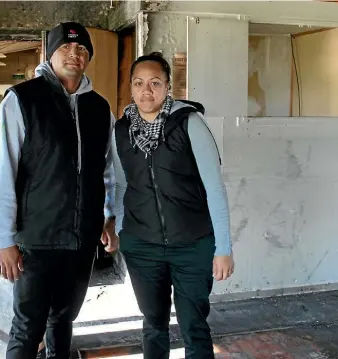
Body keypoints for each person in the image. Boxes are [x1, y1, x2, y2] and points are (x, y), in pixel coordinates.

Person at [0, 22, 119, 359]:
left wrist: (110, 217)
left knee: (64, 319)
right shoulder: (22, 100)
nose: (74, 54)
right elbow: (1, 173)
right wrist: (4, 239)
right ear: (50, 52)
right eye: (66, 47)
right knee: (27, 326)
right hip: (36, 239)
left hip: (82, 239)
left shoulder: (100, 109)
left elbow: (112, 171)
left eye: (82, 49)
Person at [112, 52, 234, 359]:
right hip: (142, 246)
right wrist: (119, 229)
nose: (146, 91)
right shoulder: (121, 131)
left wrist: (223, 249)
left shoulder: (189, 123)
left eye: (155, 83)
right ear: (131, 88)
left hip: (192, 246)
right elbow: (122, 186)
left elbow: (215, 190)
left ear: (168, 86)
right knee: (153, 323)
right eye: (139, 83)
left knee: (194, 325)